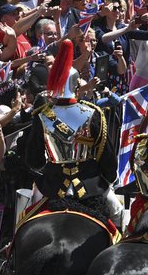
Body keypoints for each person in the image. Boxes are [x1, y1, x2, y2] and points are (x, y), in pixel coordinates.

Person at [24, 39, 118, 206]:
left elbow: (34, 160)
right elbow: (107, 155)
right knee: (116, 213)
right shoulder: (93, 113)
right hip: (90, 185)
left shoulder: (42, 115)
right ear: (76, 85)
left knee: (26, 215)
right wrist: (108, 178)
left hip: (52, 185)